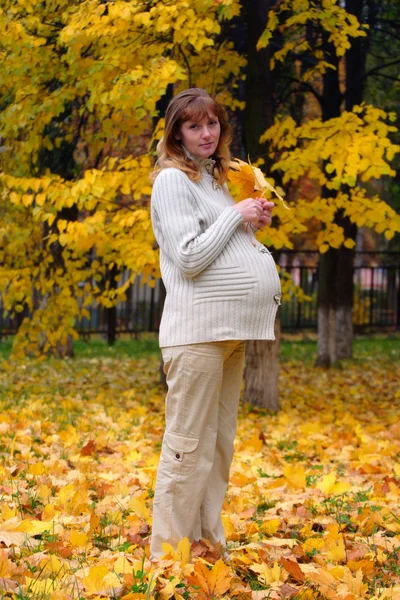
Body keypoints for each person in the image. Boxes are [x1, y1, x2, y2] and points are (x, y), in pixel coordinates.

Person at [149, 88, 281, 561]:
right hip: (196, 336)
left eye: (213, 124)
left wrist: (249, 222)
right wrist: (233, 217)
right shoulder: (171, 181)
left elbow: (218, 239)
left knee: (217, 448)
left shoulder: (214, 179)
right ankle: (168, 558)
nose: (207, 134)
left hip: (229, 334)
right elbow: (187, 258)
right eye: (194, 125)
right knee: (187, 448)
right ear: (176, 133)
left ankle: (206, 546)